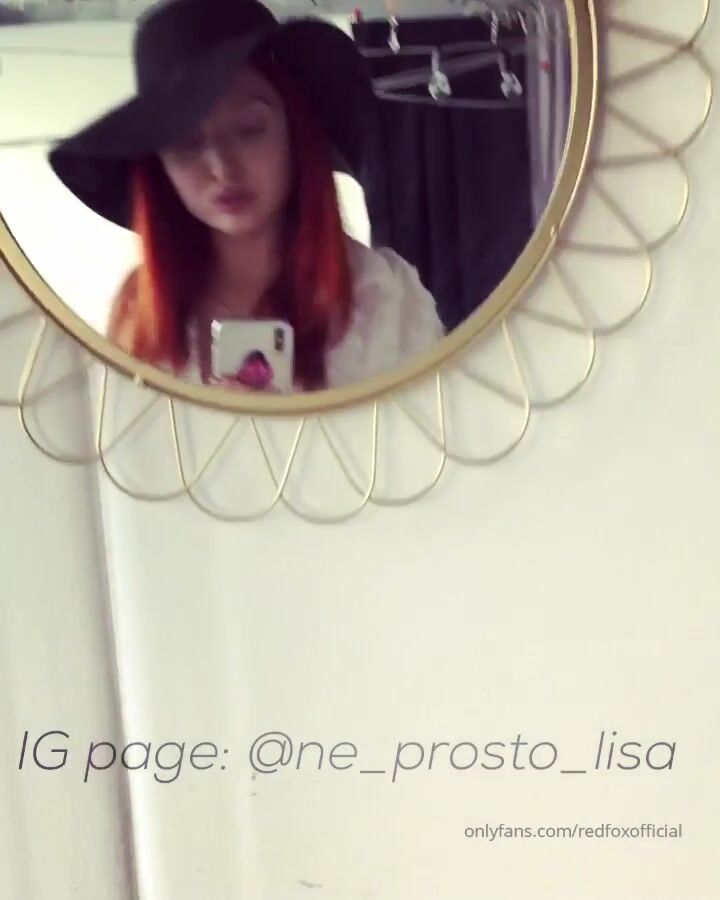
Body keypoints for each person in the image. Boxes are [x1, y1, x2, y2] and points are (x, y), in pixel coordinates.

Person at [47, 0, 445, 392]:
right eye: (187, 144)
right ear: (160, 169)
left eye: (250, 129)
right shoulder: (140, 312)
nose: (222, 168)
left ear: (294, 131)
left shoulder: (385, 299)